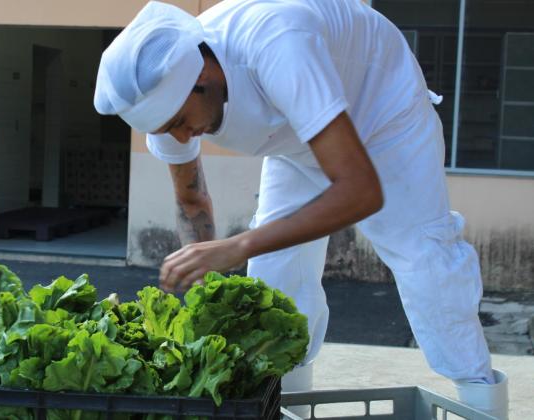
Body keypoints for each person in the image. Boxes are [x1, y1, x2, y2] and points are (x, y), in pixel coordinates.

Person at [93, 1, 508, 417]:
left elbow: (361, 191)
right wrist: (206, 290)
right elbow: (192, 199)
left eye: (181, 121)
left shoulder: (276, 42)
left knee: (424, 257)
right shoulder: (168, 96)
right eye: (168, 131)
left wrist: (238, 246)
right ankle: (285, 403)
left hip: (384, 113)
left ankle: (479, 400)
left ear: (201, 75)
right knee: (274, 271)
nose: (181, 136)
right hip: (295, 141)